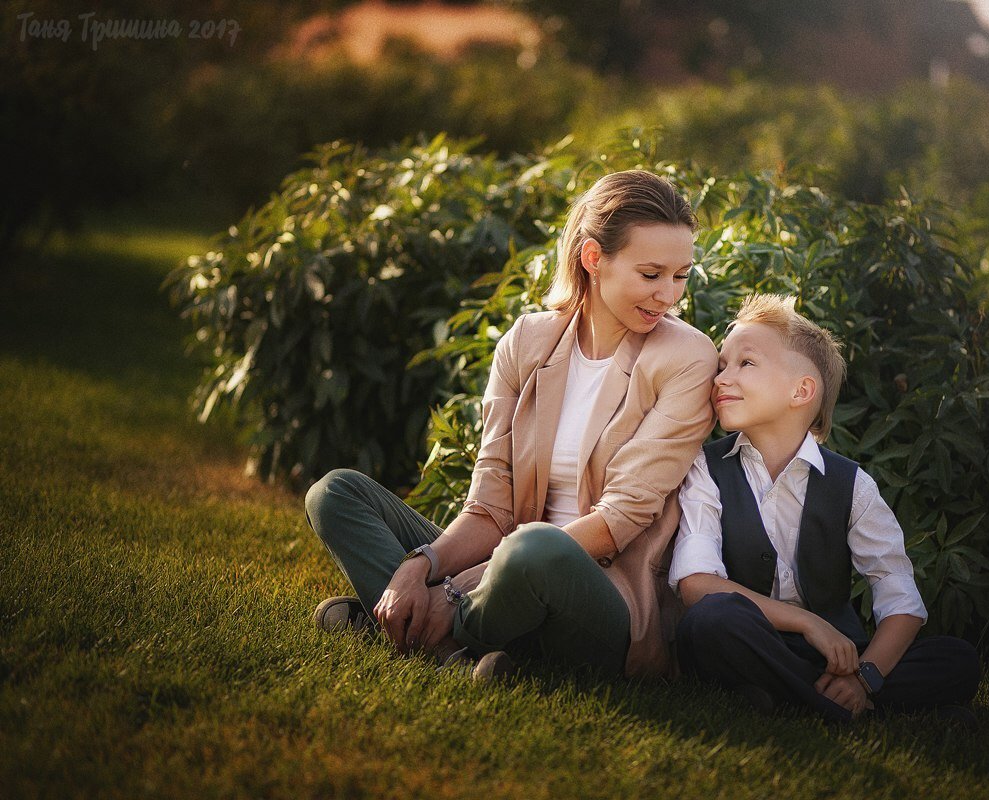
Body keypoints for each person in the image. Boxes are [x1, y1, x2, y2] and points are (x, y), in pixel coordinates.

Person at [305, 170, 718, 680]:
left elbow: (618, 522)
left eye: (680, 276)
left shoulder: (688, 358)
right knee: (336, 493)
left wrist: (458, 587)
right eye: (652, 274)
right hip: (507, 562)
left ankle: (420, 629)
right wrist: (419, 566)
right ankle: (466, 647)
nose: (669, 296)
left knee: (536, 546)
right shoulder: (527, 341)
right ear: (593, 259)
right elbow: (491, 503)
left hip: (600, 596)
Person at [669, 294, 980, 722]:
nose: (721, 378)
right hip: (754, 638)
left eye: (746, 363)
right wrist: (808, 624)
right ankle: (850, 710)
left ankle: (805, 694)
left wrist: (864, 676)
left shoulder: (852, 485)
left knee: (957, 658)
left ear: (802, 390)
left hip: (837, 659)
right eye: (722, 365)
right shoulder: (706, 468)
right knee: (707, 623)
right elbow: (697, 586)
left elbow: (902, 602)